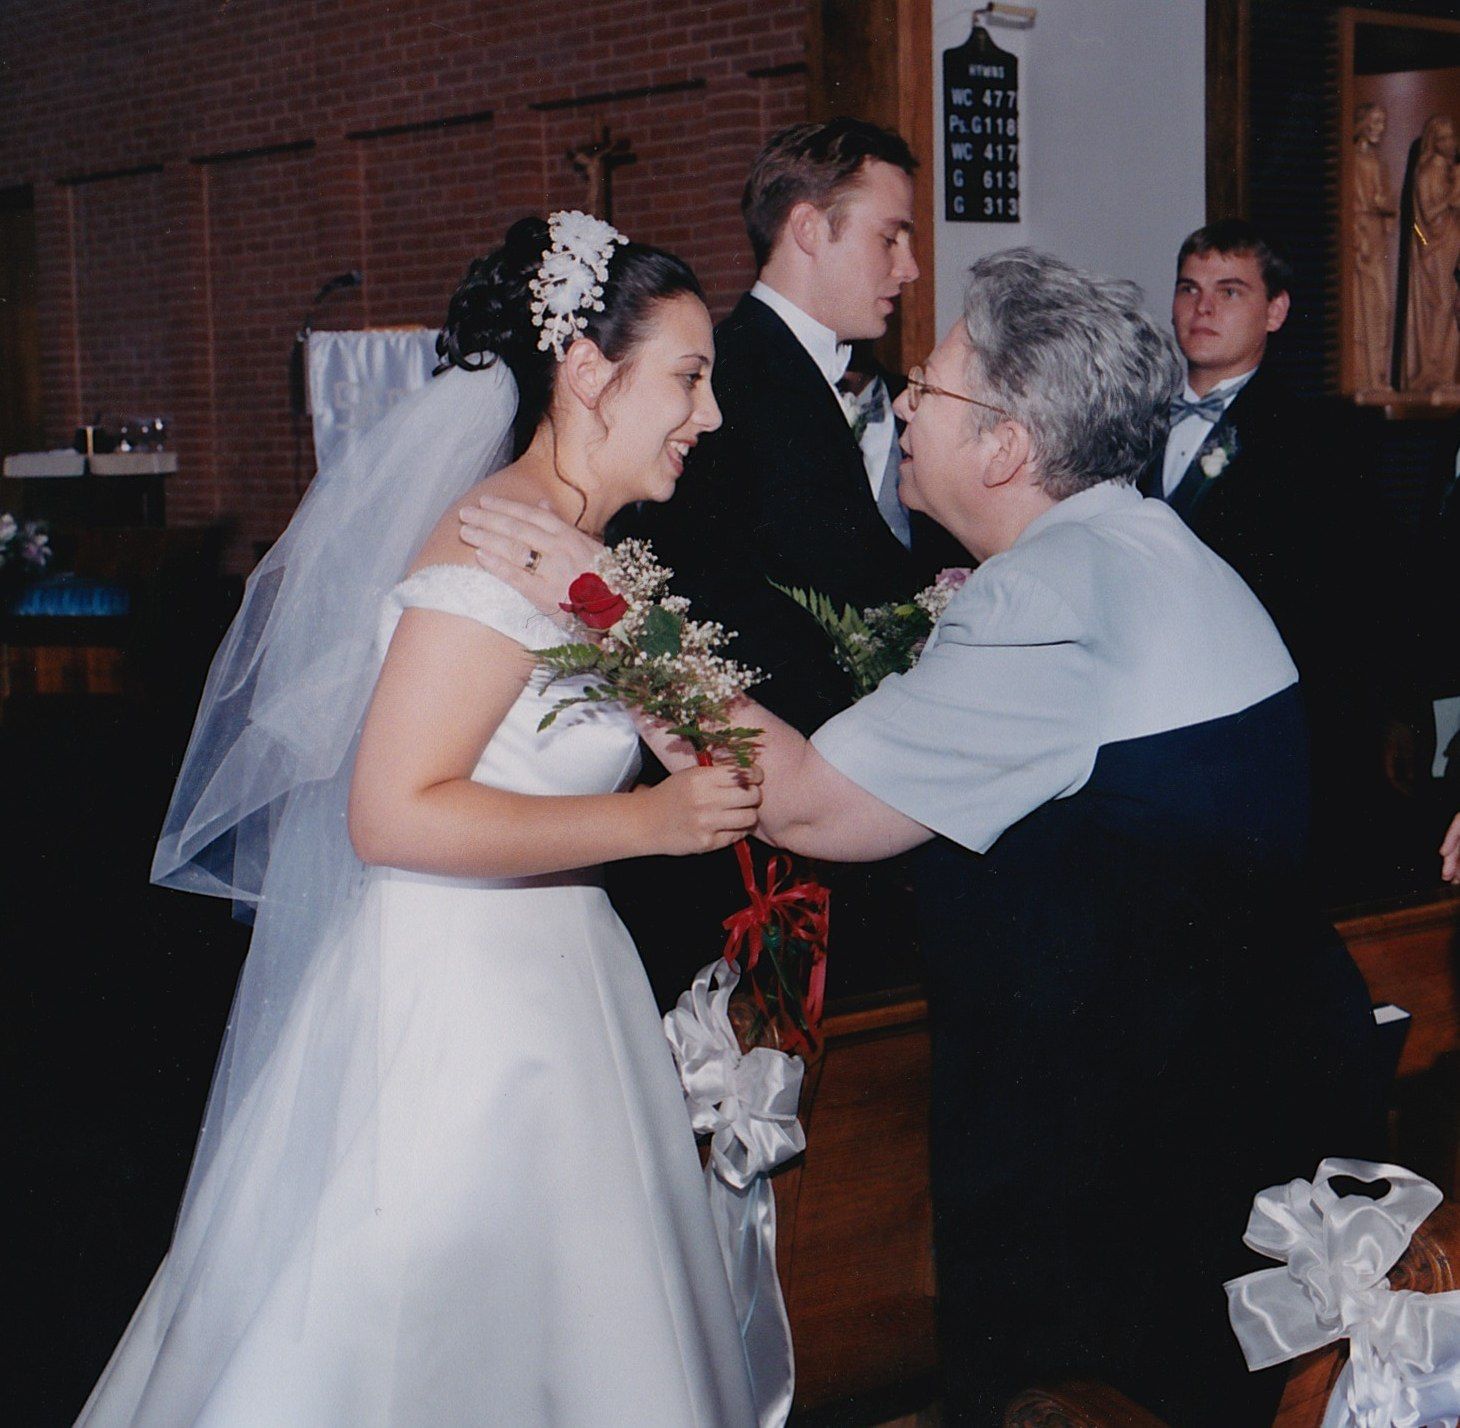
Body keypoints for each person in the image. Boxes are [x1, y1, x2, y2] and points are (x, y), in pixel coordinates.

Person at [471, 249, 1385, 1428]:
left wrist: (602, 607)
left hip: (1123, 1165)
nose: (900, 402)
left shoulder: (1039, 601)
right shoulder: (1154, 546)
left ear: (1004, 446)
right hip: (1252, 1095)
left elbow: (796, 802)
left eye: (932, 387)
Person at [75, 215, 765, 1427]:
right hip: (468, 1009)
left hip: (555, 984)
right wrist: (651, 825)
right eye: (689, 378)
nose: (706, 417)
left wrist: (628, 642)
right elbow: (391, 815)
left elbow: (700, 744)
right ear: (590, 375)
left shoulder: (573, 552)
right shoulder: (487, 553)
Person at [468, 118, 955, 1007]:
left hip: (764, 833)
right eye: (892, 235)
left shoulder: (842, 388)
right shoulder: (517, 527)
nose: (712, 412)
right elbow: (711, 613)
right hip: (708, 869)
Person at [1140, 218, 1404, 899]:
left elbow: (1352, 611)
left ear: (1276, 310)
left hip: (1261, 730)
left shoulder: (1318, 441)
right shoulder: (1128, 424)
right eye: (1189, 288)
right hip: (1147, 732)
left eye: (1229, 291)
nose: (1202, 309)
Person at [1403, 114, 1460, 396]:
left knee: (1450, 309)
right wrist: (1452, 197)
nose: (1452, 143)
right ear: (1433, 142)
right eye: (1445, 138)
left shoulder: (1448, 171)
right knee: (1440, 307)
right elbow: (1427, 215)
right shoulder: (1429, 172)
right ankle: (1430, 373)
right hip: (1433, 248)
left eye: (1453, 137)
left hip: (1449, 246)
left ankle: (1445, 374)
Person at [1352, 102, 1397, 394]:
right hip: (1364, 234)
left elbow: (1387, 202)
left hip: (1378, 235)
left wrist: (1387, 209)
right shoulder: (1354, 160)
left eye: (1383, 122)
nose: (1379, 128)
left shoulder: (1378, 161)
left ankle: (1378, 375)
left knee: (1381, 306)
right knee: (1365, 305)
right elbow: (1355, 204)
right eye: (1375, 121)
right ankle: (1364, 378)